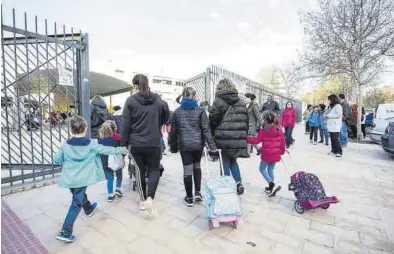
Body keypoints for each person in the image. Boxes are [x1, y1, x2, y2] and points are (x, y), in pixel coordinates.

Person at [53, 116, 127, 243]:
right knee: (76, 203)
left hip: (70, 179)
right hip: (82, 179)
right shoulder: (92, 144)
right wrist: (122, 149)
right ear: (85, 129)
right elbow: (107, 150)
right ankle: (65, 231)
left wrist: (62, 150)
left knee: (78, 194)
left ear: (71, 129)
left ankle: (88, 209)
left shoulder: (66, 145)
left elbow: (56, 160)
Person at [120, 74, 169, 213]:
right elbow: (165, 115)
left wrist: (124, 143)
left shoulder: (130, 101)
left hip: (136, 143)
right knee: (154, 170)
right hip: (154, 141)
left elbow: (125, 124)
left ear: (135, 86)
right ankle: (150, 199)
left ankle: (142, 201)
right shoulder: (158, 100)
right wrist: (157, 124)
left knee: (139, 170)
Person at [169, 87, 218, 207]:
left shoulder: (177, 111)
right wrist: (212, 146)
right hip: (197, 144)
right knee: (197, 166)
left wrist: (173, 147)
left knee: (187, 170)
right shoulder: (200, 110)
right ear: (194, 96)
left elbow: (173, 132)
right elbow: (206, 129)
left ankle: (189, 197)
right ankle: (197, 192)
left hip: (184, 145)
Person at [209, 79, 249, 195]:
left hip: (224, 137)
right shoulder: (241, 101)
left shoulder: (218, 101)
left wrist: (212, 134)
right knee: (233, 162)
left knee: (224, 162)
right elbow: (246, 120)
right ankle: (238, 183)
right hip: (237, 137)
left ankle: (226, 187)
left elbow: (213, 119)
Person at [247, 111, 285, 197]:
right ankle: (271, 187)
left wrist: (247, 138)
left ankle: (271, 184)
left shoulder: (264, 130)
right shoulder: (279, 129)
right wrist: (281, 151)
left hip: (267, 155)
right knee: (270, 169)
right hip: (276, 154)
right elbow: (283, 142)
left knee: (262, 169)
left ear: (265, 120)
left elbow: (256, 141)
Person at [99, 121, 123, 202]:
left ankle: (110, 195)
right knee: (119, 174)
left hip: (105, 162)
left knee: (109, 177)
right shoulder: (117, 138)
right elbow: (121, 148)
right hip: (116, 161)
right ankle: (118, 189)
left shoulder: (100, 140)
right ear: (114, 129)